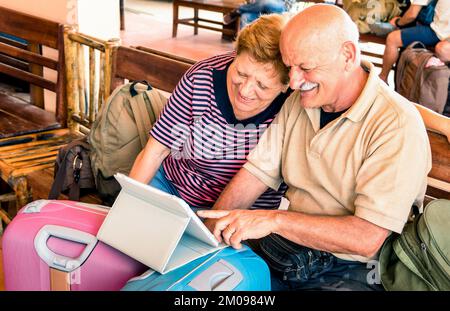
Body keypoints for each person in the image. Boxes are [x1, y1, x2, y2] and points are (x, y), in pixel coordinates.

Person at [198, 4, 432, 291]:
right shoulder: (302, 101)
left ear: (347, 55)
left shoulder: (396, 124)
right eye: (289, 67)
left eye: (305, 68)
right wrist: (209, 238)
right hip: (292, 250)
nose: (294, 82)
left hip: (356, 266)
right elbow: (256, 173)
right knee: (202, 285)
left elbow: (366, 238)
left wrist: (274, 220)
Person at [129, 14, 291, 210]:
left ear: (287, 84)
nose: (245, 90)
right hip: (173, 189)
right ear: (235, 54)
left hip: (242, 214)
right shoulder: (202, 77)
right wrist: (128, 204)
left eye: (262, 86)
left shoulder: (293, 104)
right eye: (241, 73)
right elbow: (155, 151)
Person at [379, 0, 450, 82]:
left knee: (392, 39)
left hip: (438, 33)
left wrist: (397, 22)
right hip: (444, 34)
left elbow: (411, 15)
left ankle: (383, 78)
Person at [223, 0, 293, 29]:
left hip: (280, 6)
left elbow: (288, 4)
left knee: (266, 2)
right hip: (260, 8)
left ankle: (238, 11)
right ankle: (243, 47)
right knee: (245, 17)